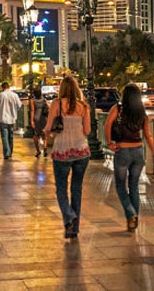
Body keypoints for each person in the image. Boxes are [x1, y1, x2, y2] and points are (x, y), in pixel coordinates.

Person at [105, 84, 154, 232]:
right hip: (138, 152)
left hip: (123, 150)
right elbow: (148, 135)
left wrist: (109, 143)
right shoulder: (141, 112)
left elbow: (108, 124)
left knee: (120, 186)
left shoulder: (118, 109)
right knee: (134, 186)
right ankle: (133, 220)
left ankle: (131, 214)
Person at [46, 75, 91, 239]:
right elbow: (87, 131)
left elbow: (49, 127)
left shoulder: (56, 104)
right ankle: (74, 228)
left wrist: (49, 134)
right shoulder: (83, 106)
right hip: (81, 151)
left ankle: (69, 215)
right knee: (76, 189)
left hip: (62, 152)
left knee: (61, 188)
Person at [0, 82, 21, 159]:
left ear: (2, 87)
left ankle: (7, 152)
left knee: (4, 136)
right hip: (12, 118)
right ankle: (10, 152)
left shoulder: (1, 95)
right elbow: (19, 105)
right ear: (9, 87)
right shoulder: (14, 95)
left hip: (3, 118)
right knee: (11, 136)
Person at [30, 88, 49, 157]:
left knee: (35, 135)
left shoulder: (32, 100)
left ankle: (38, 151)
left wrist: (32, 121)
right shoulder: (44, 100)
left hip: (36, 118)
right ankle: (45, 146)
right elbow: (48, 107)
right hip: (43, 118)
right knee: (44, 134)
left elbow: (32, 110)